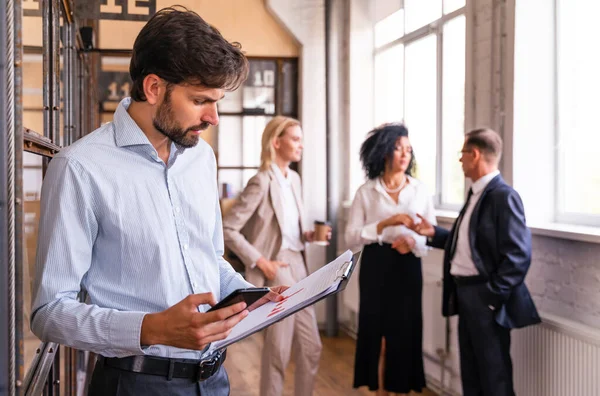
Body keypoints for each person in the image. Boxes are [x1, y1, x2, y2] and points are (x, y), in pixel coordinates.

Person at [30, 7, 286, 396]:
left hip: (216, 378)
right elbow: (49, 314)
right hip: (134, 383)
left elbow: (208, 257)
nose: (213, 117)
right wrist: (151, 328)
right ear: (153, 88)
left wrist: (250, 295)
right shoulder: (80, 168)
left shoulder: (201, 158)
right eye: (201, 100)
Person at [410, 128, 541, 396]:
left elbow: (518, 256)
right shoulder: (476, 194)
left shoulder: (503, 196)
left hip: (484, 297)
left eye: (462, 154)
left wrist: (491, 296)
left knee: (494, 378)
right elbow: (471, 246)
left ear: (476, 154)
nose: (460, 161)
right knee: (471, 374)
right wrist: (435, 233)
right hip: (465, 294)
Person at [222, 116, 327, 396]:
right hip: (276, 266)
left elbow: (288, 228)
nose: (301, 145)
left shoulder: (294, 178)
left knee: (311, 345)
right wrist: (261, 261)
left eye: (301, 139)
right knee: (278, 350)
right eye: (295, 139)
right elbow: (229, 228)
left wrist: (309, 236)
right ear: (276, 142)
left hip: (299, 263)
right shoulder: (262, 181)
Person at [345, 123, 436, 396]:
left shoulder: (420, 190)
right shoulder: (366, 191)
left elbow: (429, 235)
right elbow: (351, 237)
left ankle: (401, 390)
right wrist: (385, 224)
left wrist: (414, 241)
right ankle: (380, 390)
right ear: (385, 152)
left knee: (404, 334)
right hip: (376, 265)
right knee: (377, 334)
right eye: (398, 148)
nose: (404, 154)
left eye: (408, 149)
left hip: (408, 267)